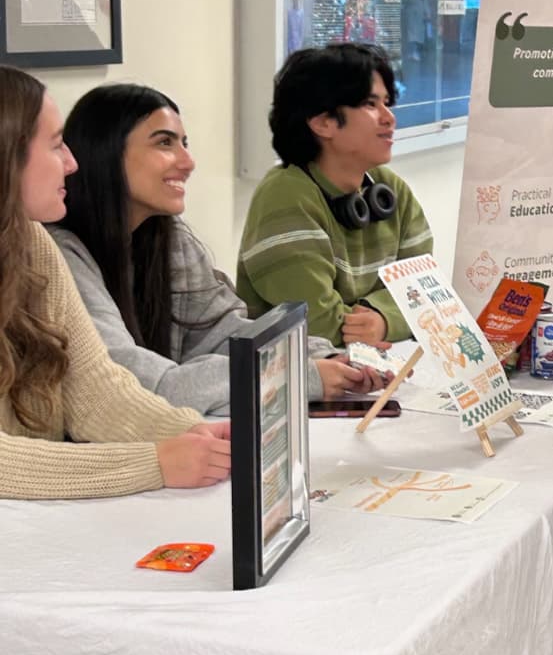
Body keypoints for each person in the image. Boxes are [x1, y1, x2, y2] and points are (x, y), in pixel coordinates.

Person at [0, 68, 232, 655]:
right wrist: (153, 462)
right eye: (53, 144)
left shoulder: (32, 246)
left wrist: (206, 439)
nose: (71, 162)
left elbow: (98, 392)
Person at [49, 84, 382, 417]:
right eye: (164, 143)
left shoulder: (166, 237)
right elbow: (135, 386)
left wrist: (322, 357)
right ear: (105, 152)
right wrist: (296, 375)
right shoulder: (58, 256)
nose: (188, 162)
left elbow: (225, 334)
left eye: (185, 143)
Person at [237, 43, 433, 347]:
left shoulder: (389, 189)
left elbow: (427, 289)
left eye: (386, 103)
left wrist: (383, 319)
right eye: (370, 104)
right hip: (305, 370)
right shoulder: (284, 196)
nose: (389, 118)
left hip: (377, 365)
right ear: (322, 122)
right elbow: (316, 324)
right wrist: (389, 316)